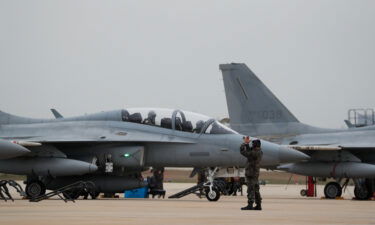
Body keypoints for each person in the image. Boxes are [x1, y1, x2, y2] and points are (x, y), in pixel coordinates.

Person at [240, 136, 263, 210]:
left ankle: (250, 205)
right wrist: (247, 145)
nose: (251, 145)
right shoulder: (259, 151)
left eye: (253, 144)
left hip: (251, 173)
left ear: (255, 145)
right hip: (255, 173)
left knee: (250, 189)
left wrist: (245, 143)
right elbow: (249, 151)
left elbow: (243, 152)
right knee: (256, 189)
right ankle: (258, 205)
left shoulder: (254, 153)